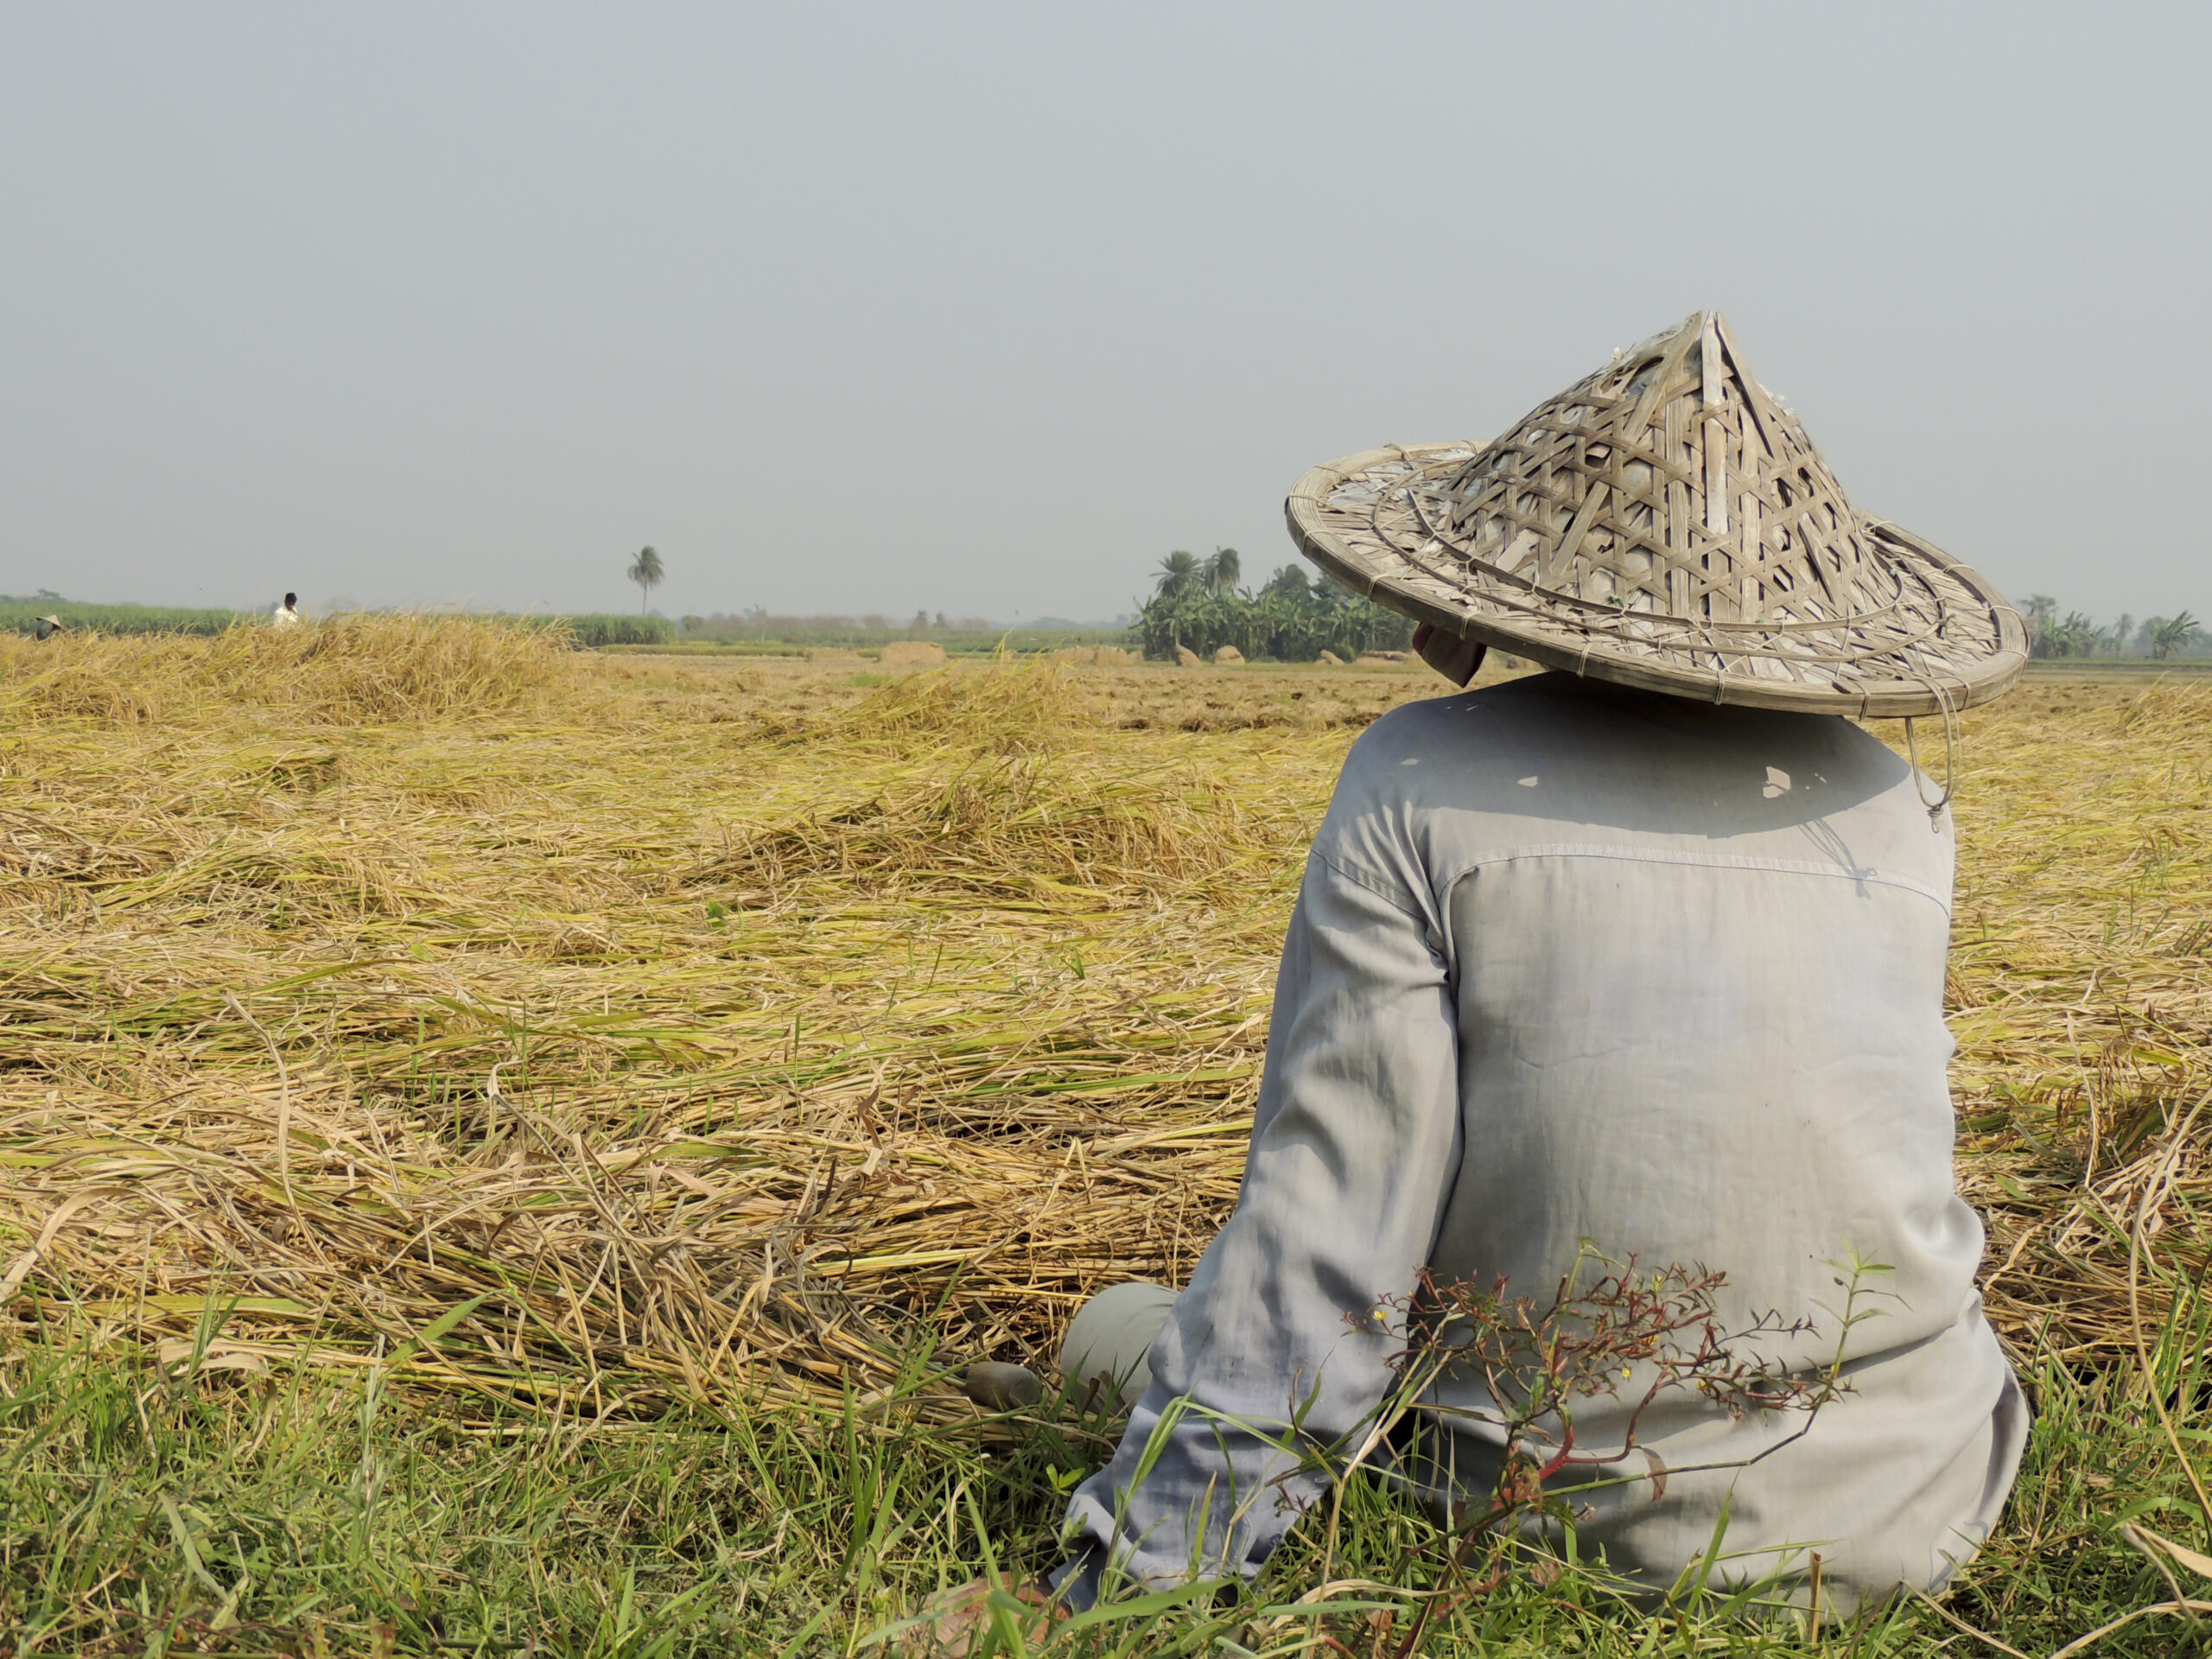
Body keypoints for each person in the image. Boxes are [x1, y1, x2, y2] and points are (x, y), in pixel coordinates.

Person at [930, 313, 2031, 1648]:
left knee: (1120, 1329)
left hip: (1569, 1515)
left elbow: (1329, 1249)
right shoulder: (1904, 807)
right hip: (1922, 1490)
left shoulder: (1418, 785)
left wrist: (1128, 1575)